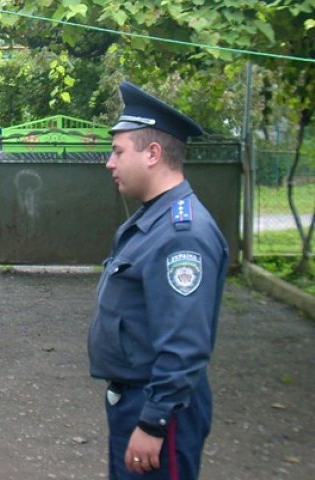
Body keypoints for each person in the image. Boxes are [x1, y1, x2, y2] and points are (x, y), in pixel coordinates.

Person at [87, 81, 229, 479]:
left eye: (118, 152)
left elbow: (185, 344)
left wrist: (153, 423)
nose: (109, 163)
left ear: (152, 154)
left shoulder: (182, 234)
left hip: (159, 407)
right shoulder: (155, 219)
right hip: (137, 399)